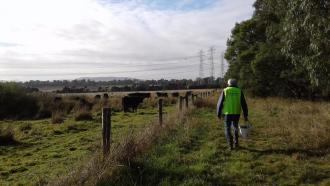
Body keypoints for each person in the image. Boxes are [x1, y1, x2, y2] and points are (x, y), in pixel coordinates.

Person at [216, 79, 248, 150]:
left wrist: (218, 113)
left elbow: (220, 103)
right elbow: (244, 104)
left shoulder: (225, 90)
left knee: (227, 128)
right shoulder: (239, 91)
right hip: (236, 113)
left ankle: (230, 145)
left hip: (227, 113)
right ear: (236, 84)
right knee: (235, 127)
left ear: (228, 84)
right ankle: (236, 143)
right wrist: (245, 115)